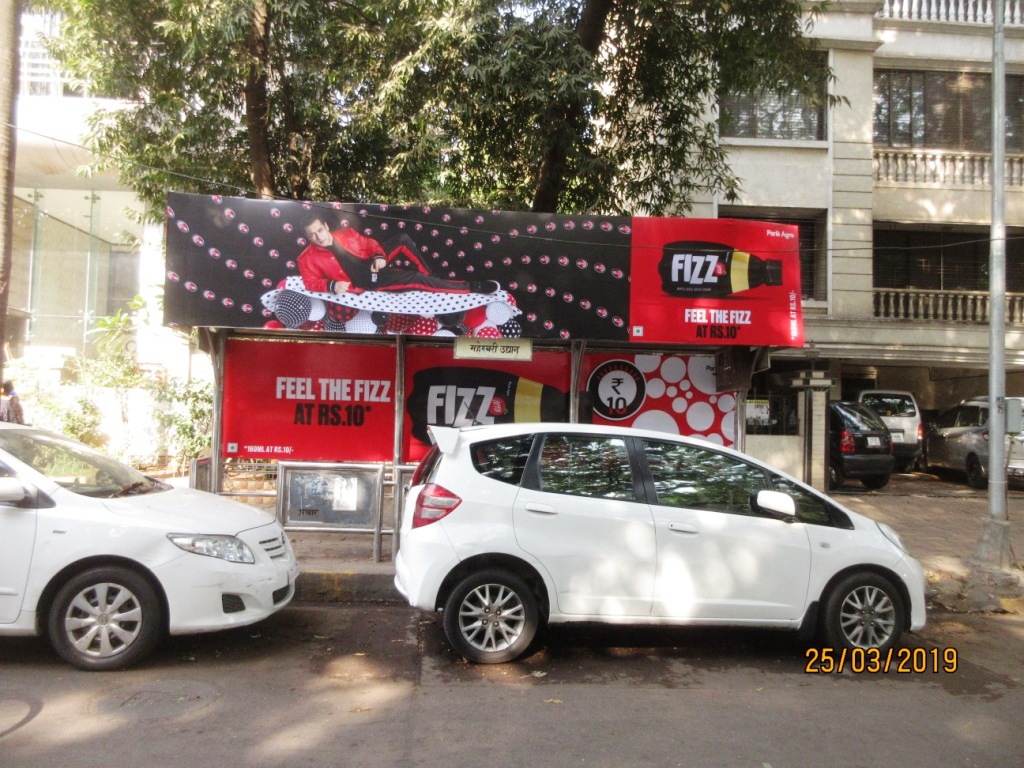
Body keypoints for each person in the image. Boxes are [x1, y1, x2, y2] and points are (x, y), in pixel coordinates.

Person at [298, 212, 499, 296]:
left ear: (325, 226)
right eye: (312, 235)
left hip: (374, 267)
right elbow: (310, 282)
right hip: (368, 282)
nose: (318, 237)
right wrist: (331, 285)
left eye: (320, 230)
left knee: (402, 239)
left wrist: (378, 257)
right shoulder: (306, 258)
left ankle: (433, 278)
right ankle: (472, 288)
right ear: (308, 236)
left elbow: (369, 244)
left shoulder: (346, 233)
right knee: (415, 278)